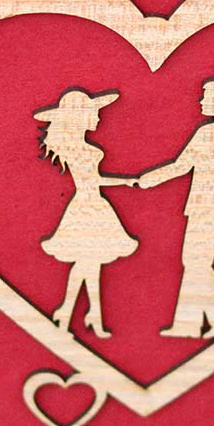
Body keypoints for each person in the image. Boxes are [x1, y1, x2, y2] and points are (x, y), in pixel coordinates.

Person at [139, 79, 214, 338]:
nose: (201, 101)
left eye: (207, 97)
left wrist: (150, 178)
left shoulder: (211, 133)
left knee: (196, 262)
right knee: (197, 262)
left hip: (207, 202)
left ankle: (210, 321)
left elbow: (182, 165)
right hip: (213, 202)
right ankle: (200, 322)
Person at [35, 88, 138, 338]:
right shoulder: (79, 151)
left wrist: (124, 181)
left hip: (92, 204)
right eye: (94, 113)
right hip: (87, 207)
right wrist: (125, 181)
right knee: (87, 263)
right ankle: (78, 313)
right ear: (79, 117)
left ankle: (79, 314)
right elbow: (92, 182)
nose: (99, 118)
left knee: (89, 264)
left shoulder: (82, 149)